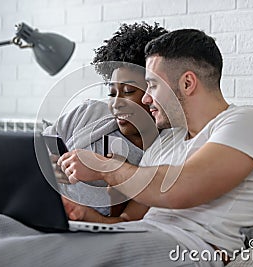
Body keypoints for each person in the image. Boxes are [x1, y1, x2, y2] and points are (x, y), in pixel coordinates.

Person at [58, 29, 253, 264]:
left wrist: (107, 168)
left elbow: (182, 188)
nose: (146, 98)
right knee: (22, 233)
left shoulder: (248, 122)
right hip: (142, 237)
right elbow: (128, 221)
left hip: (191, 248)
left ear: (187, 83)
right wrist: (85, 216)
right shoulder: (166, 141)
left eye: (153, 86)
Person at [43, 22, 167, 222]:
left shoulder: (165, 153)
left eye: (128, 92)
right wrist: (48, 165)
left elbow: (126, 221)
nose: (116, 104)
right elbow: (38, 149)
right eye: (111, 93)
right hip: (36, 199)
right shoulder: (89, 113)